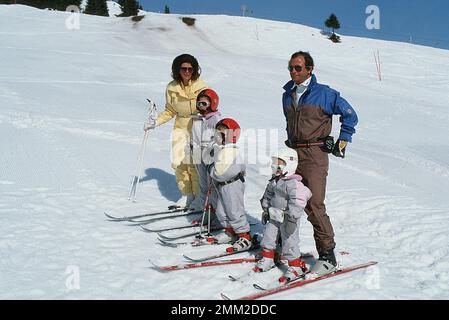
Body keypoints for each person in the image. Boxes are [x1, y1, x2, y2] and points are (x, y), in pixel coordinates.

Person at [281, 51, 358, 276]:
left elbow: (350, 115)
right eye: (291, 67)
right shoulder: (287, 94)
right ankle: (285, 245)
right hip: (293, 153)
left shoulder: (324, 93)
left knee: (314, 204)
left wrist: (344, 138)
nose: (293, 71)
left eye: (297, 68)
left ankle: (327, 256)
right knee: (285, 199)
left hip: (314, 154)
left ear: (309, 69)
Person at [145, 54, 208, 210]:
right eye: (183, 69)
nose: (187, 72)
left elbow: (210, 107)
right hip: (180, 126)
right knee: (179, 163)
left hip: (197, 126)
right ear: (177, 70)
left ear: (194, 70)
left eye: (190, 69)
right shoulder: (172, 87)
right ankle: (187, 195)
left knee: (194, 164)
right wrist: (156, 122)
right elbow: (170, 110)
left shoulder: (202, 87)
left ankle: (199, 198)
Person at [256, 148, 312, 284]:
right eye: (274, 162)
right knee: (268, 236)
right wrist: (265, 209)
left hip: (288, 219)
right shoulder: (275, 180)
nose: (275, 165)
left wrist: (292, 217)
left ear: (289, 164)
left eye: (279, 162)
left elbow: (299, 201)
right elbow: (268, 195)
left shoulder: (294, 184)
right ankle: (268, 258)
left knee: (289, 241)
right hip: (274, 216)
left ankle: (295, 266)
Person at [207, 118, 252, 253]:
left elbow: (220, 173)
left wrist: (210, 169)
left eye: (222, 133)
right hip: (221, 185)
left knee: (234, 210)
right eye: (217, 131)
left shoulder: (231, 151)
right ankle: (229, 231)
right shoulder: (220, 149)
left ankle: (244, 235)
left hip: (232, 185)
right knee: (221, 210)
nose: (218, 135)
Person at [189, 89, 223, 212]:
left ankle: (216, 212)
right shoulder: (196, 118)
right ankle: (205, 210)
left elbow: (221, 138)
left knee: (212, 185)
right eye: (199, 103)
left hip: (210, 154)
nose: (201, 106)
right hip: (198, 153)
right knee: (203, 184)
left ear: (212, 103)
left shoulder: (216, 119)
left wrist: (215, 149)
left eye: (204, 103)